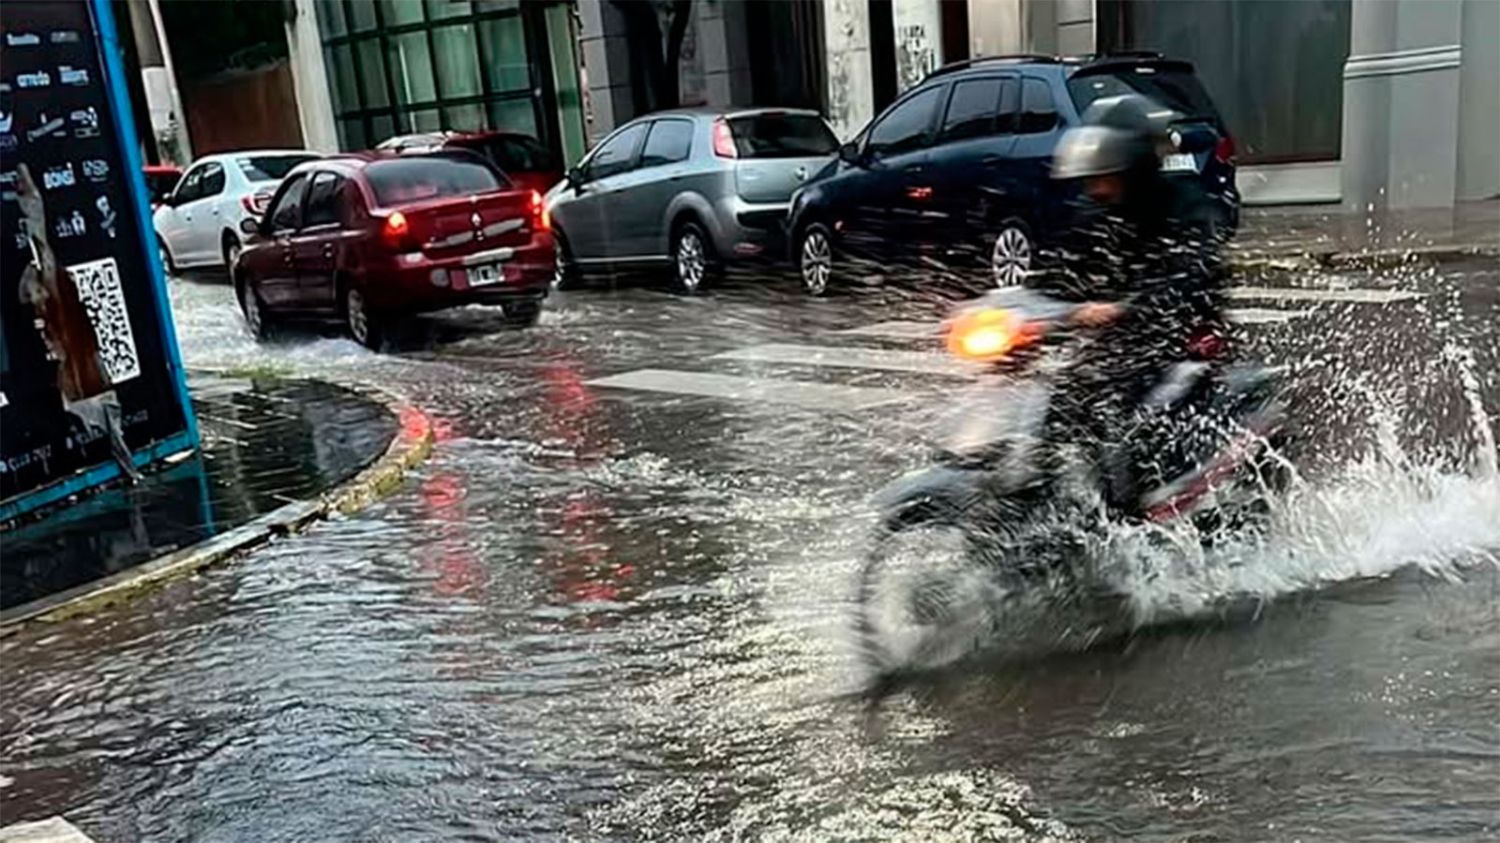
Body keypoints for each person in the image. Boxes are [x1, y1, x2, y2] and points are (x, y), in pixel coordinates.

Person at [1030, 95, 1228, 515]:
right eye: (1093, 178)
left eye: (1106, 177)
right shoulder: (1099, 211)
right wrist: (1022, 304)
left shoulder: (1186, 206)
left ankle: (1133, 517)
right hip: (1124, 339)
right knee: (1062, 400)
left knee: (1128, 421)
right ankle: (1043, 502)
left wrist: (1128, 307)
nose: (1096, 187)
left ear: (1135, 167)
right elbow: (1061, 268)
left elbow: (1190, 273)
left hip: (1181, 343)